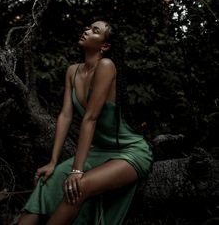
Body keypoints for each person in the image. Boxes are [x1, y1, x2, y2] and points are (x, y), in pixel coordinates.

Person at [18, 20, 153, 225]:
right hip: (99, 150)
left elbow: (90, 118)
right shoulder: (73, 71)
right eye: (88, 27)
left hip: (128, 150)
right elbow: (65, 115)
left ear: (104, 46)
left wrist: (76, 170)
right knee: (46, 182)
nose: (86, 30)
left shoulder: (106, 66)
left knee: (78, 187)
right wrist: (53, 162)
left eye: (94, 31)